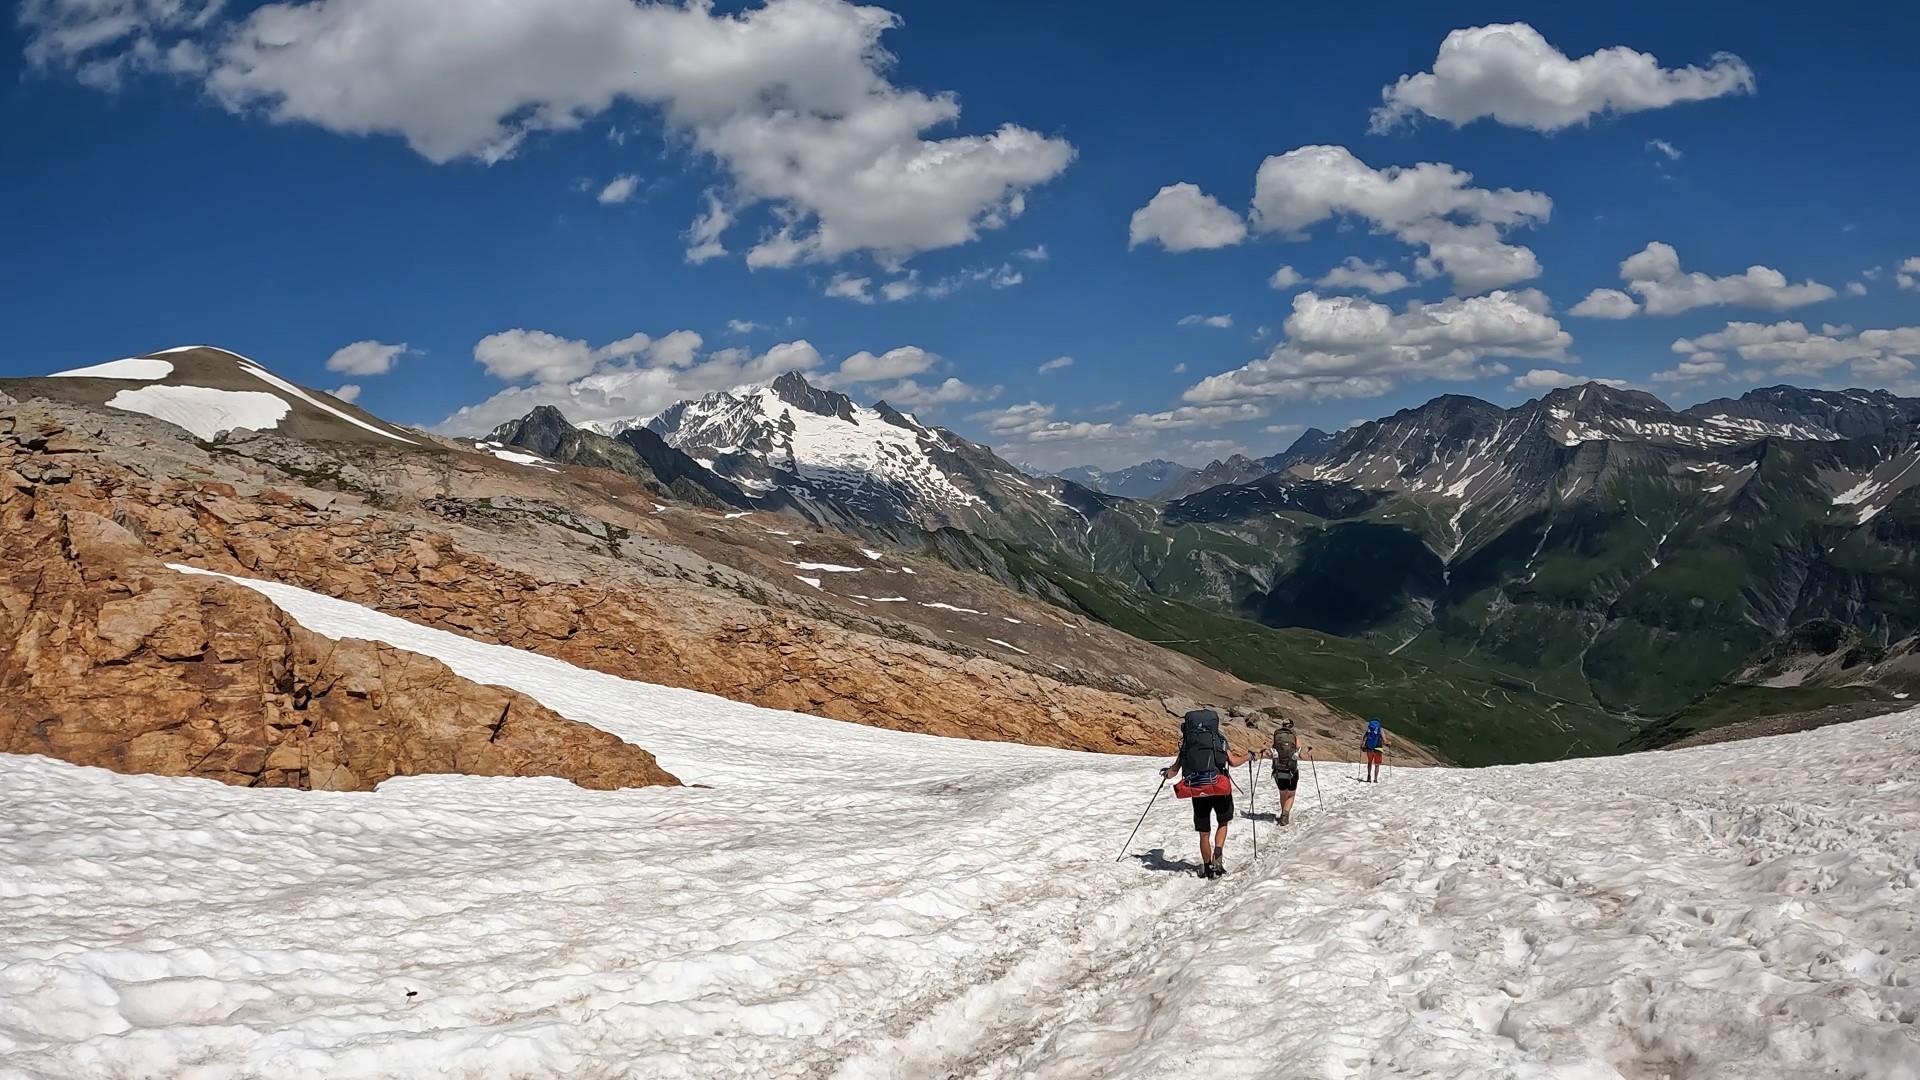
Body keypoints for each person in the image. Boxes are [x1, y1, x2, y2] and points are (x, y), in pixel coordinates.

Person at [1161, 708, 1256, 878]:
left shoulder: (1188, 743)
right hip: (1219, 787)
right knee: (1223, 822)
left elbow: (1174, 771)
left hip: (1198, 790)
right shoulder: (1219, 739)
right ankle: (1218, 854)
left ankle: (1207, 867)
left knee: (1204, 832)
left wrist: (1166, 774)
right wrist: (1248, 757)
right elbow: (1233, 762)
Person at [1267, 718, 1308, 824]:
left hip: (1278, 769)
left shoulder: (1277, 736)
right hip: (1291, 770)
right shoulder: (1294, 736)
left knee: (1282, 793)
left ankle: (1283, 814)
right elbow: (1299, 751)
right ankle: (1285, 814)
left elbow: (1272, 751)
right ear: (1291, 726)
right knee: (1291, 794)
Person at [1362, 717, 1388, 783]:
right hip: (1378, 749)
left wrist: (1362, 745)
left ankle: (1369, 776)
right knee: (1377, 764)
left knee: (1369, 763)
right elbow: (1385, 740)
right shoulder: (1380, 729)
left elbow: (1364, 737)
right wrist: (1388, 743)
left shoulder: (1369, 729)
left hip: (1369, 748)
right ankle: (1375, 779)